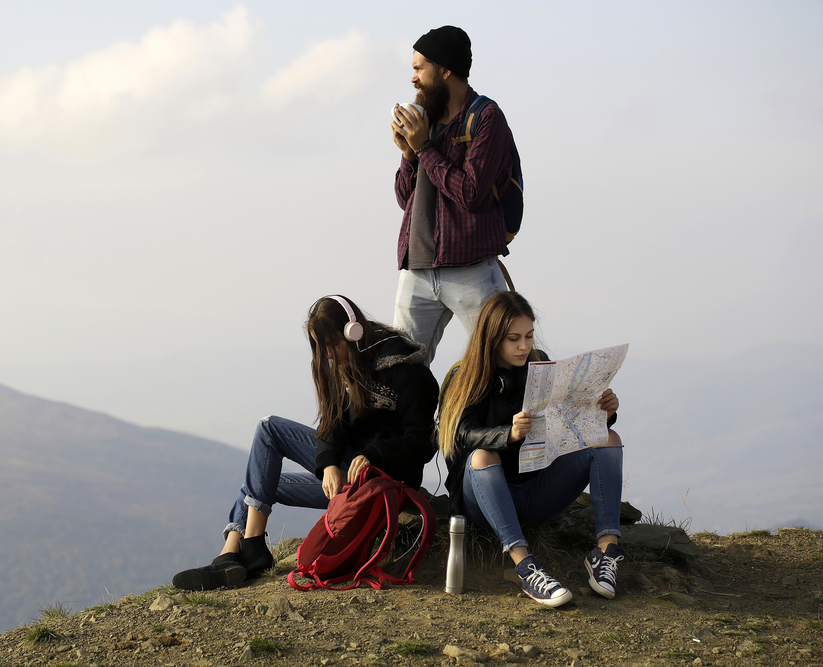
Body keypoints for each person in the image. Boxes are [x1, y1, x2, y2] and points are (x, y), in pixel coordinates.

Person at [172, 295, 440, 590]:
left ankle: (245, 552)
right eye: (319, 346)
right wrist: (327, 465)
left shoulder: (410, 373)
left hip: (381, 483)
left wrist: (374, 454)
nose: (326, 354)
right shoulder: (349, 364)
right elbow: (332, 424)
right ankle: (233, 554)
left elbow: (422, 442)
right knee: (261, 476)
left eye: (331, 344)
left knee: (268, 430)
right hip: (348, 474)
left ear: (354, 332)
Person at [437, 292, 626, 607]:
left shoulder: (540, 368)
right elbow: (462, 435)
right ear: (492, 338)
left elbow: (567, 427)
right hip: (483, 498)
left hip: (537, 489)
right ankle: (526, 566)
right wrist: (507, 434)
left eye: (528, 336)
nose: (524, 346)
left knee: (609, 439)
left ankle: (605, 552)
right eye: (513, 339)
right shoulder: (466, 376)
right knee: (484, 456)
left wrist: (602, 414)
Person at [390, 25, 517, 365]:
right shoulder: (424, 118)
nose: (413, 78)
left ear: (445, 70)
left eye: (419, 68)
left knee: (500, 365)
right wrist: (408, 153)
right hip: (416, 269)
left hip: (472, 269)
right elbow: (406, 200)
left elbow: (472, 193)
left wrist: (425, 148)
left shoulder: (487, 117)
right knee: (402, 375)